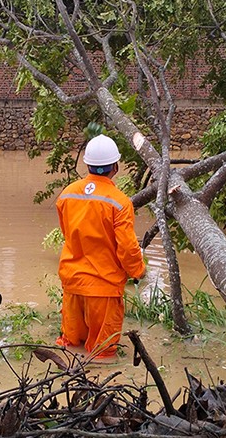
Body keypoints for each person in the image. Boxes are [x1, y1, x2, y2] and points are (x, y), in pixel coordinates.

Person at [55, 134, 146, 360]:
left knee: (70, 347)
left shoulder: (67, 194)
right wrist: (138, 271)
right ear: (115, 166)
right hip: (103, 289)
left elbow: (68, 233)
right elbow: (127, 247)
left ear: (87, 164)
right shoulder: (119, 202)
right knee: (102, 354)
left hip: (72, 284)